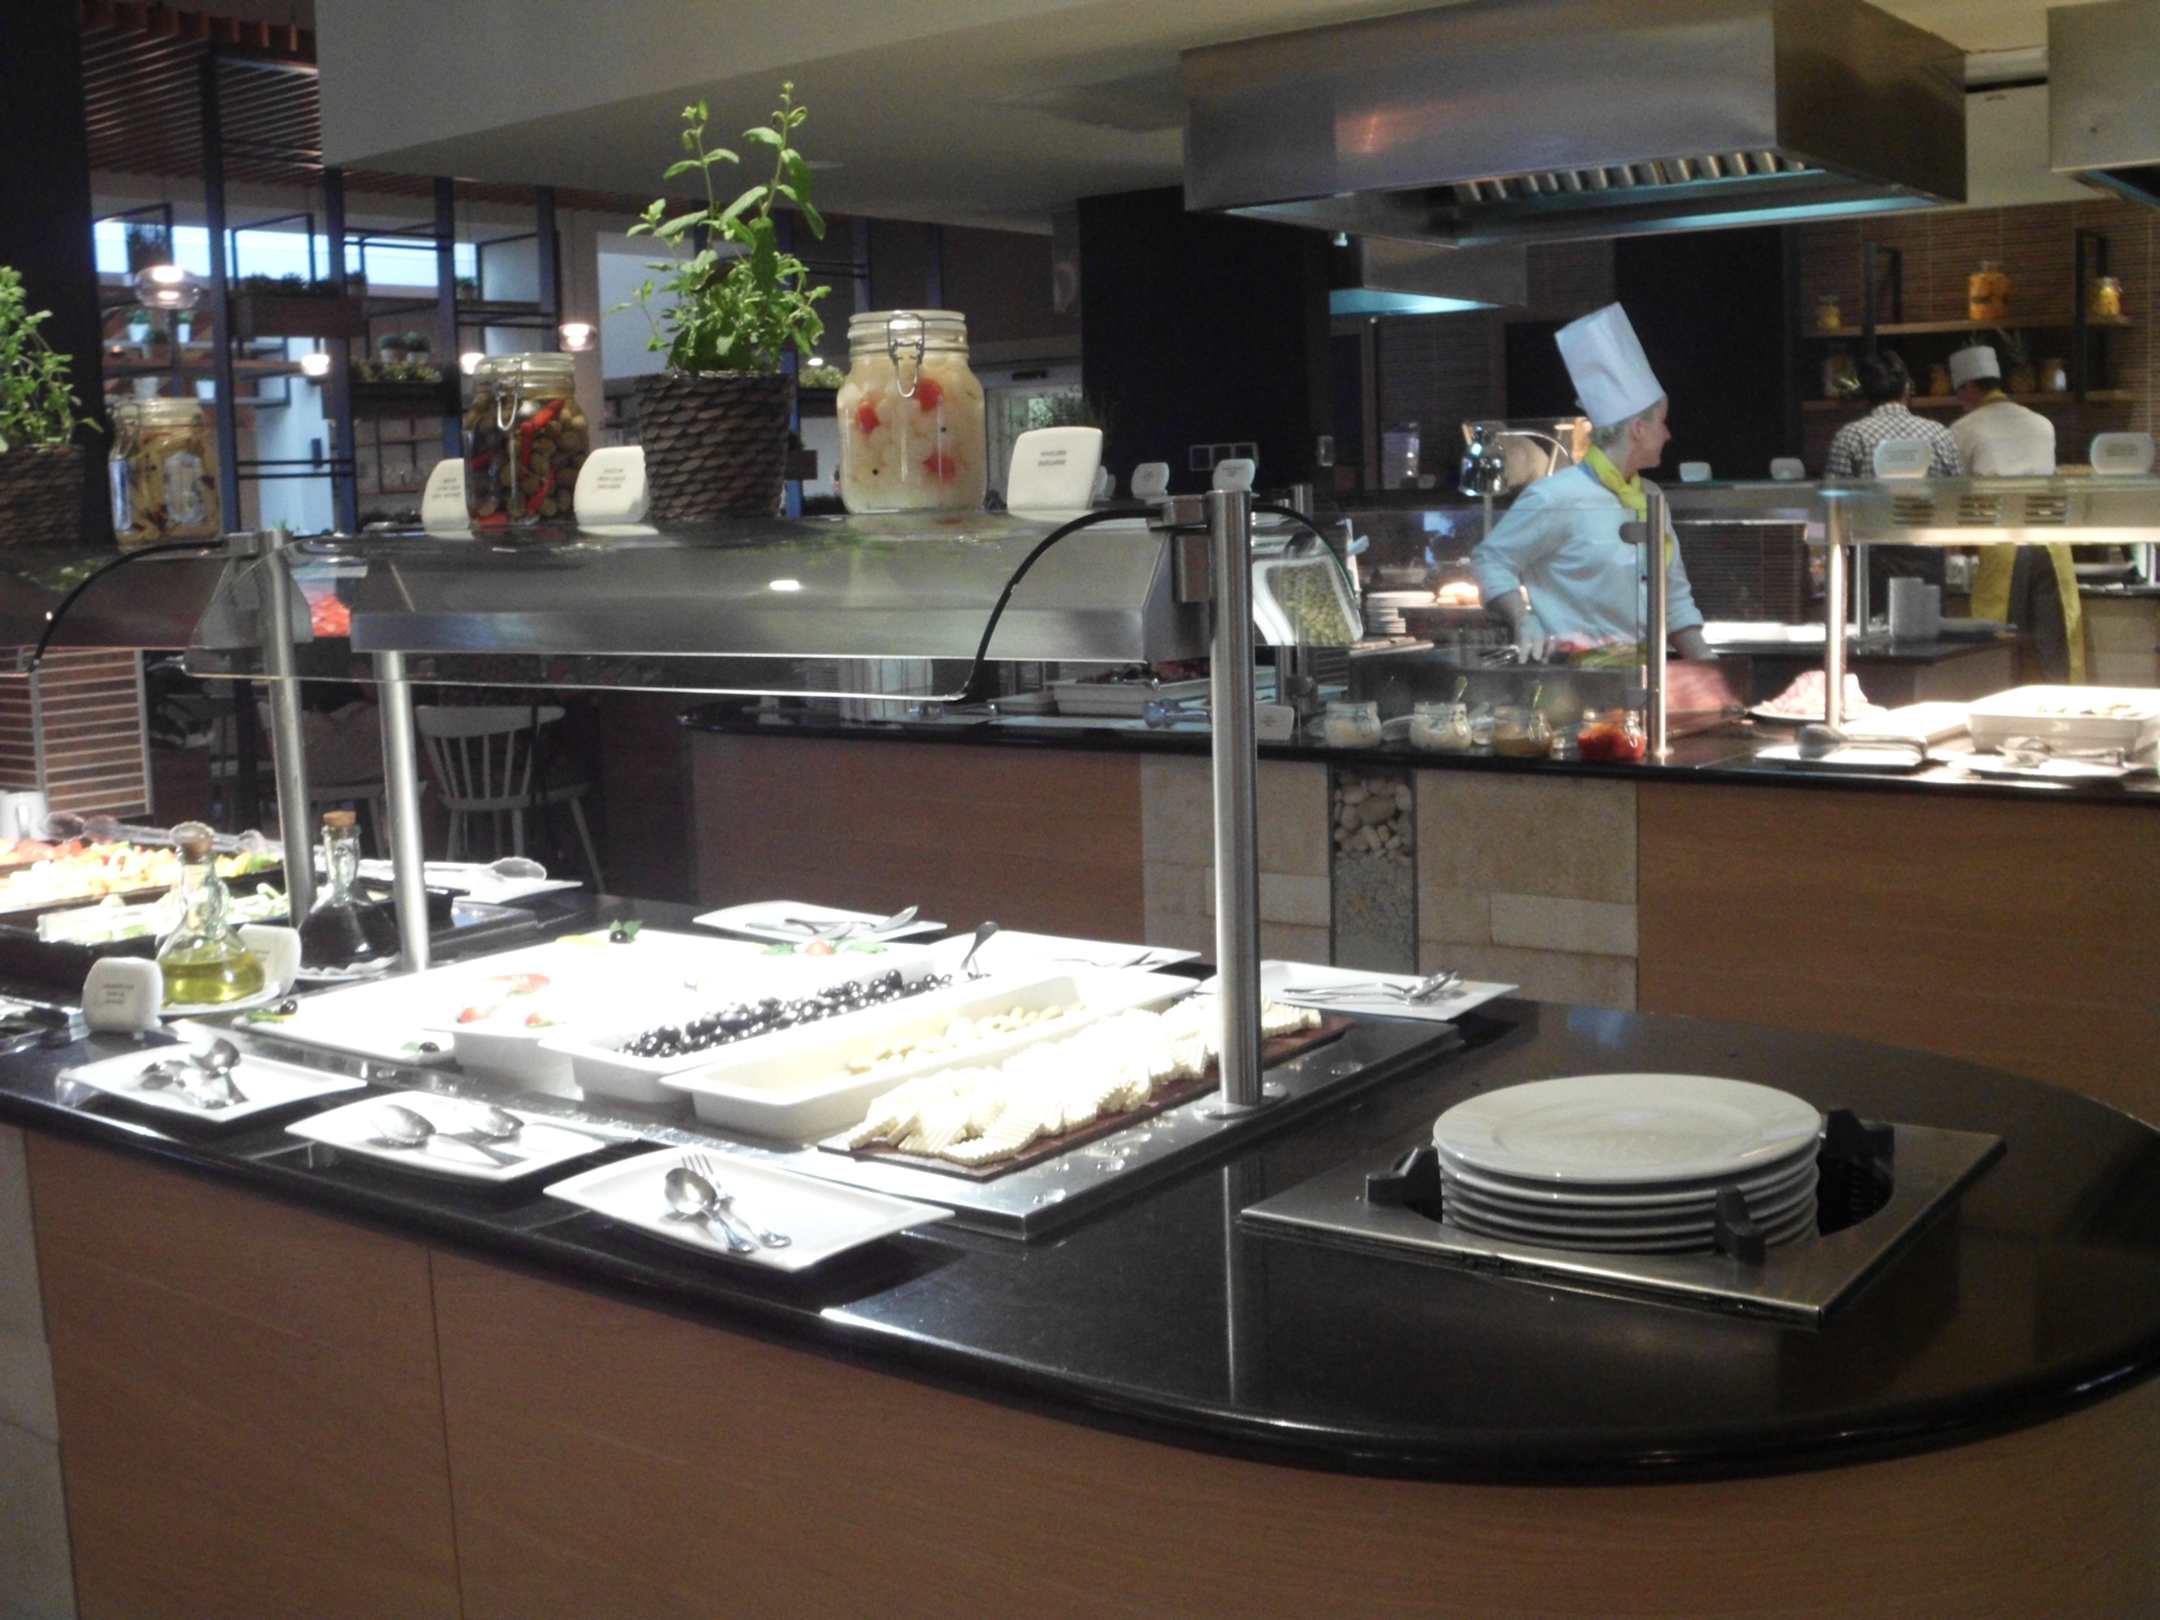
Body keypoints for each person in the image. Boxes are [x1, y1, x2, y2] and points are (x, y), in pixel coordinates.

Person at [1471, 303, 1711, 663]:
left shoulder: (1650, 497)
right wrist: (1523, 619)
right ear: (1638, 429)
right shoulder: (1556, 497)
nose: (1668, 434)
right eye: (1662, 423)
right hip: (1574, 679)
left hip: (1646, 677)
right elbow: (1490, 559)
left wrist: (1711, 669)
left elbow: (1674, 599)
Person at [1947, 343, 2082, 681]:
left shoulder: (1962, 430)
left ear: (1970, 386)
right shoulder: (2042, 424)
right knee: (2058, 650)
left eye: (1959, 392)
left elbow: (1955, 494)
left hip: (2003, 546)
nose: (1959, 400)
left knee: (1998, 646)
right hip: (2053, 546)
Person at [1823, 348, 1961, 597]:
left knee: (1872, 622)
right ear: (1907, 388)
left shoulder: (1850, 436)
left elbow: (1835, 509)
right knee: (1927, 620)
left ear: (1864, 393)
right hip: (1929, 557)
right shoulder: (1939, 434)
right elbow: (1958, 497)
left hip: (1871, 559)